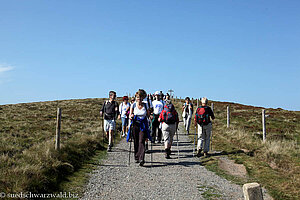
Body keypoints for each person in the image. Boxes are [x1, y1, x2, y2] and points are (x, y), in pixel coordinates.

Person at [127, 89, 152, 166]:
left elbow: (148, 114)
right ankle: (136, 156)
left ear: (143, 98)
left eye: (140, 97)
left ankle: (142, 158)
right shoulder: (133, 105)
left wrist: (150, 116)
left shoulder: (145, 104)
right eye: (138, 97)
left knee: (141, 140)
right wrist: (131, 116)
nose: (139, 99)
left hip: (143, 125)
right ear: (136, 98)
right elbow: (130, 114)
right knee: (136, 141)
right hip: (135, 124)